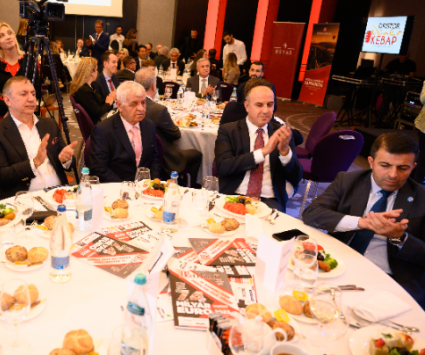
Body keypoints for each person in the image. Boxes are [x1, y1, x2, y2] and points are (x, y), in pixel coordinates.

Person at [302, 133, 425, 308]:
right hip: (341, 264)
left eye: (403, 168)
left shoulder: (422, 198)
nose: (393, 174)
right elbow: (312, 213)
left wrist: (399, 237)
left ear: (413, 167)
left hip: (390, 278)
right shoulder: (347, 181)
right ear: (371, 162)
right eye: (385, 165)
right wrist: (361, 222)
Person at [214, 78, 302, 211]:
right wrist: (263, 152)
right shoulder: (229, 131)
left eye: (270, 105)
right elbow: (224, 167)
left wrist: (285, 153)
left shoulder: (282, 133)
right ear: (247, 106)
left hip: (269, 199)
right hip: (235, 194)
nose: (266, 110)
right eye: (259, 105)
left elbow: (296, 178)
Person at [0, 76, 77, 201]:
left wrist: (66, 159)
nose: (31, 99)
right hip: (25, 200)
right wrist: (34, 163)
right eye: (23, 94)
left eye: (33, 94)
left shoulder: (49, 124)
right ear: (7, 100)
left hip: (59, 196)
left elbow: (69, 162)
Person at [136, 67, 202, 183]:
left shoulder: (131, 106)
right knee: (197, 154)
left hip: (139, 156)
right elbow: (176, 135)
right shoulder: (159, 110)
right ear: (153, 86)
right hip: (164, 158)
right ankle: (190, 186)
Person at [89, 81, 161, 182]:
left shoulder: (149, 125)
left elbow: (153, 159)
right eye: (134, 104)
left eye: (143, 103)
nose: (141, 109)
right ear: (119, 105)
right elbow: (99, 169)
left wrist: (153, 183)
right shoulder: (103, 130)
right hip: (117, 186)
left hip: (144, 186)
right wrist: (126, 187)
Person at [71, 57, 115, 124]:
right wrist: (108, 103)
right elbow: (97, 113)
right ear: (92, 72)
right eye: (96, 70)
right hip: (97, 124)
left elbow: (95, 103)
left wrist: (110, 98)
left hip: (97, 121)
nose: (97, 72)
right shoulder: (84, 91)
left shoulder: (87, 87)